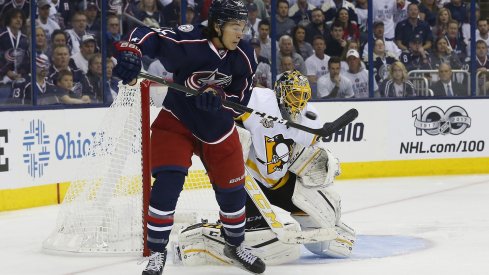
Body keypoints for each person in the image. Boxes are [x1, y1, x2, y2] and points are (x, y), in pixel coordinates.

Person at [111, 0, 265, 274]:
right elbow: (148, 36)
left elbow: (240, 98)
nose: (240, 33)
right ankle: (157, 254)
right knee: (167, 186)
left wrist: (221, 100)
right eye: (235, 26)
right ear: (217, 25)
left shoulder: (245, 55)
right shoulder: (189, 40)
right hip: (178, 120)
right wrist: (131, 53)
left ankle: (235, 245)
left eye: (243, 27)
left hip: (217, 129)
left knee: (233, 193)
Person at [174, 70, 355, 266]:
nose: (299, 101)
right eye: (294, 94)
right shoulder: (258, 100)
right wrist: (214, 100)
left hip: (280, 183)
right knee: (267, 245)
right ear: (281, 92)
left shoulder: (308, 116)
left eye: (303, 95)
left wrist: (323, 159)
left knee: (327, 221)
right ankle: (199, 239)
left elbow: (310, 152)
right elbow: (227, 109)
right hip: (249, 184)